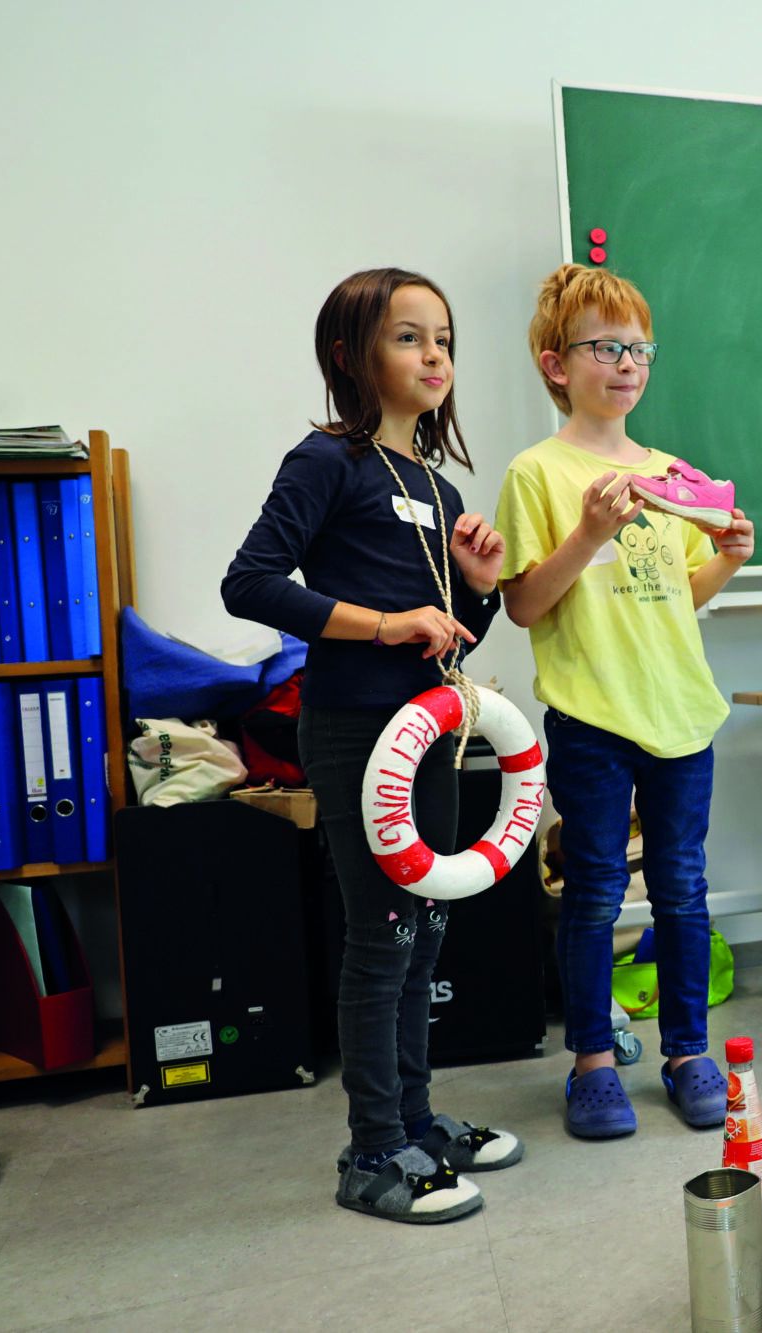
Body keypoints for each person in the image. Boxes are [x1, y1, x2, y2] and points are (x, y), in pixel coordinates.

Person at [223, 267, 520, 1223]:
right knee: (383, 932)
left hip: (431, 731)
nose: (434, 355)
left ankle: (418, 1121)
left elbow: (455, 628)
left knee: (427, 925)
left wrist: (476, 585)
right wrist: (387, 625)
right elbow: (252, 582)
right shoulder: (328, 461)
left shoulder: (436, 483)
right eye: (409, 337)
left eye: (443, 339)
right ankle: (371, 1151)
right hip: (357, 728)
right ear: (352, 355)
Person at [496, 263, 754, 1139]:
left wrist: (727, 559)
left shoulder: (672, 473)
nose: (627, 363)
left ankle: (687, 1051)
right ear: (555, 363)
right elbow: (525, 602)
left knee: (683, 888)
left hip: (681, 711)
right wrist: (590, 532)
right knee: (597, 889)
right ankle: (594, 1064)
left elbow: (674, 594)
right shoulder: (538, 472)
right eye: (606, 346)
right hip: (593, 715)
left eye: (639, 348)